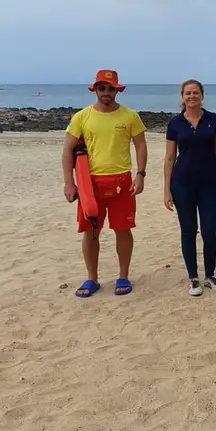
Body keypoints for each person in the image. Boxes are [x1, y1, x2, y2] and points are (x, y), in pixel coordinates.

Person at [61, 69, 147, 298]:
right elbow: (68, 150)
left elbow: (140, 145)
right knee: (90, 231)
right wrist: (70, 183)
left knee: (123, 230)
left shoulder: (130, 116)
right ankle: (92, 279)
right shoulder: (82, 117)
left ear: (117, 90)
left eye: (110, 88)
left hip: (122, 181)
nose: (106, 92)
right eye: (102, 88)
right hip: (90, 185)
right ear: (95, 90)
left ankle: (123, 276)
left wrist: (140, 174)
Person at [163, 79, 216, 297]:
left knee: (210, 231)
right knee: (189, 231)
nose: (192, 96)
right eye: (188, 93)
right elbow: (170, 158)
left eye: (195, 93)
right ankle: (193, 277)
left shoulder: (213, 120)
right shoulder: (175, 123)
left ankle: (210, 274)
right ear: (182, 97)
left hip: (209, 183)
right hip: (182, 184)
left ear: (202, 95)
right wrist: (166, 189)